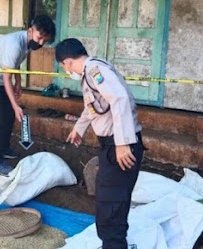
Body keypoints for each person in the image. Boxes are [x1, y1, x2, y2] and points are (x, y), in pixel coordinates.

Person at [55, 38, 144, 249]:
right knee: (111, 204)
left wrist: (123, 144)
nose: (66, 71)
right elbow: (93, 107)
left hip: (119, 146)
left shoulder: (95, 70)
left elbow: (119, 99)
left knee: (110, 208)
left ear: (67, 62)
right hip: (111, 146)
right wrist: (79, 127)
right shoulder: (89, 74)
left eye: (63, 67)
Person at [0, 15, 56, 176]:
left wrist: (18, 82)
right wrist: (15, 104)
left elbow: (15, 64)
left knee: (8, 114)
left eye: (44, 40)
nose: (40, 43)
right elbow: (6, 77)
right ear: (30, 30)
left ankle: (3, 148)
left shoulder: (26, 43)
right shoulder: (15, 44)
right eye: (39, 38)